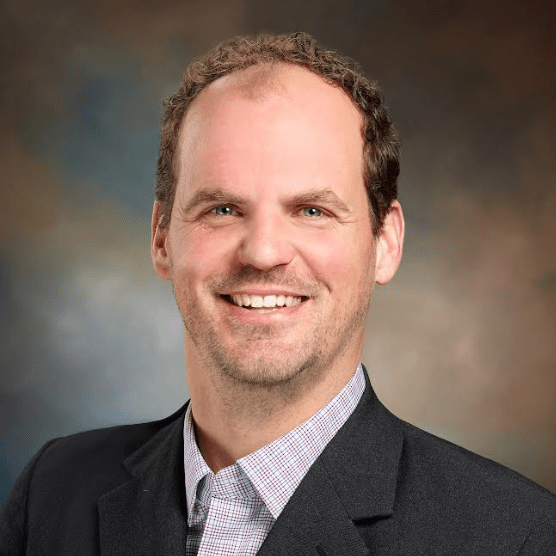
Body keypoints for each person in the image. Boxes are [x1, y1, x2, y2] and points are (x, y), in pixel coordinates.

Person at [1, 31, 555, 556]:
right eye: (222, 209)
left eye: (312, 211)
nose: (263, 252)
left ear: (384, 242)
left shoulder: (516, 536)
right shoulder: (53, 491)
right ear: (162, 238)